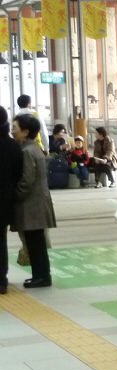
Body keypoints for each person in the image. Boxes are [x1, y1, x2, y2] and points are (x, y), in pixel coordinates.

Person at [11, 114, 55, 288]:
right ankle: (40, 275)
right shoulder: (33, 148)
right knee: (35, 241)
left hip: (32, 204)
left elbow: (27, 180)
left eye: (15, 128)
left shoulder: (28, 151)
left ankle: (42, 277)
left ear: (25, 132)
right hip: (36, 202)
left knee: (35, 242)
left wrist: (15, 196)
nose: (12, 131)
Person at [0, 107, 24, 295]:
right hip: (5, 201)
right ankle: (1, 281)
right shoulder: (13, 145)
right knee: (1, 242)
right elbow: (18, 174)